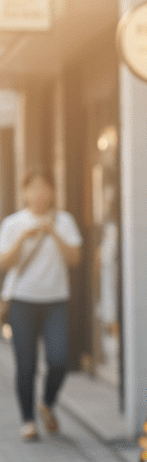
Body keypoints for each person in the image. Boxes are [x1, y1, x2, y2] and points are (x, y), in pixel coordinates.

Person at [0, 169, 82, 441]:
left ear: (54, 192)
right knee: (26, 365)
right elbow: (4, 264)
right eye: (33, 187)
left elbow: (74, 259)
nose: (39, 193)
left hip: (56, 301)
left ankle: (46, 403)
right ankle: (27, 421)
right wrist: (24, 238)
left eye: (44, 187)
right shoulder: (13, 223)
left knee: (59, 360)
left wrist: (53, 232)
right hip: (22, 301)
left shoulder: (64, 221)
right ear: (24, 192)